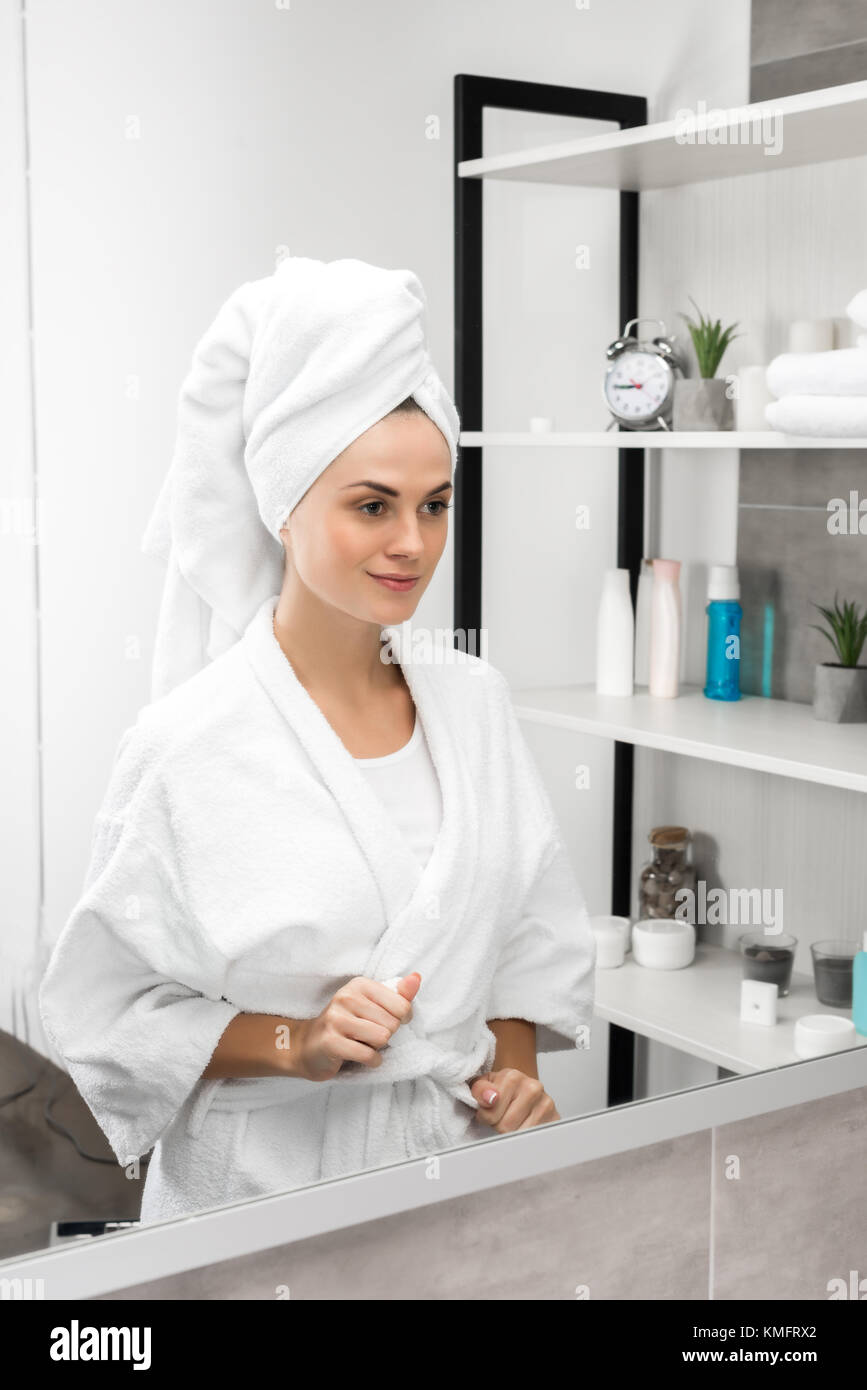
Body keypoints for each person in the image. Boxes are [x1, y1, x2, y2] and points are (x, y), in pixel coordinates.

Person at [38, 256, 596, 1225]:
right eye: (372, 504)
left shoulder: (476, 703)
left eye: (436, 503)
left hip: (450, 1182)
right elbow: (100, 1010)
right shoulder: (190, 741)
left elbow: (526, 940)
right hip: (261, 1199)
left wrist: (513, 1076)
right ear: (285, 505)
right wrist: (296, 1040)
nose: (413, 543)